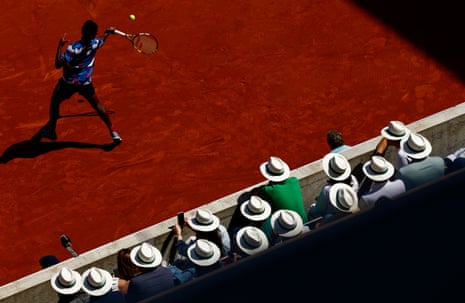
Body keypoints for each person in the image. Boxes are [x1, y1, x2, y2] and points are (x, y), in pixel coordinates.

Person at [37, 19, 122, 143]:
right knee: (98, 106)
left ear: (82, 31)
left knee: (55, 101)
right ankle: (113, 131)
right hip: (85, 83)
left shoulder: (73, 48)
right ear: (93, 34)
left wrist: (60, 46)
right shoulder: (95, 44)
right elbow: (102, 40)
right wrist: (108, 32)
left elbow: (57, 64)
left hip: (68, 84)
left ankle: (51, 130)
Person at [251, 156, 308, 240]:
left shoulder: (268, 190)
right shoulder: (294, 180)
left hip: (286, 228)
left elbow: (255, 193)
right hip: (305, 224)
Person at [307, 152, 359, 224]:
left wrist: (312, 207)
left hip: (333, 219)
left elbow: (319, 211)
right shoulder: (354, 179)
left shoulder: (327, 189)